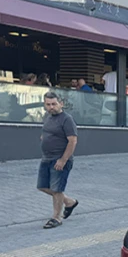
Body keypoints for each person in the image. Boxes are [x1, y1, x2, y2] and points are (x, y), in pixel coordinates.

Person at [37, 91, 79, 229]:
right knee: (43, 186)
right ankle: (69, 202)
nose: (51, 107)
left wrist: (63, 160)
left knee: (56, 189)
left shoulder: (67, 119)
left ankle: (56, 217)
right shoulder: (47, 117)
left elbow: (72, 141)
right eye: (48, 104)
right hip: (46, 158)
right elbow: (46, 132)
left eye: (54, 104)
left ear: (61, 104)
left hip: (59, 159)